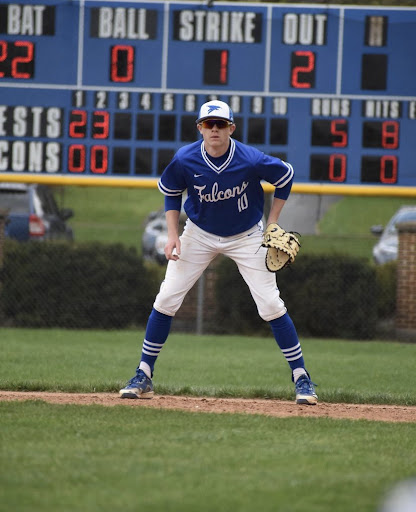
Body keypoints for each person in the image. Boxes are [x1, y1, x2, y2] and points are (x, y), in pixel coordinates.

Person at [120, 100, 318, 405]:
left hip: (247, 234)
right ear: (199, 128)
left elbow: (285, 177)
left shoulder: (249, 159)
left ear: (231, 128)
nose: (214, 129)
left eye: (220, 124)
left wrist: (274, 221)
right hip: (199, 234)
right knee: (167, 297)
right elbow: (172, 194)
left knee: (270, 304)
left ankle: (302, 377)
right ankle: (143, 374)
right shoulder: (185, 159)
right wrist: (173, 235)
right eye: (208, 124)